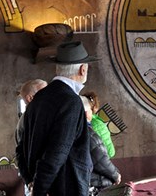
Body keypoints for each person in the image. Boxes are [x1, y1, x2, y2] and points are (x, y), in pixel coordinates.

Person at [16, 41, 98, 196]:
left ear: (57, 68)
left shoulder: (38, 99)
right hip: (65, 189)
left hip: (42, 185)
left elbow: (21, 149)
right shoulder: (71, 101)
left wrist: (31, 182)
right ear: (83, 69)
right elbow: (56, 152)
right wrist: (39, 190)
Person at [81, 96, 121, 195]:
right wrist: (115, 174)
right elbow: (100, 158)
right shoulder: (88, 132)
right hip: (93, 182)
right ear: (87, 112)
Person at [15, 79, 47, 196]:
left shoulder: (40, 116)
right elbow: (21, 154)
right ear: (30, 98)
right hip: (37, 183)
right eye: (44, 92)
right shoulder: (28, 120)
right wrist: (31, 182)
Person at [82, 91, 116, 158]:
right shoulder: (91, 122)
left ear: (92, 110)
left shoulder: (97, 124)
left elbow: (110, 152)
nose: (83, 113)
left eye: (86, 110)